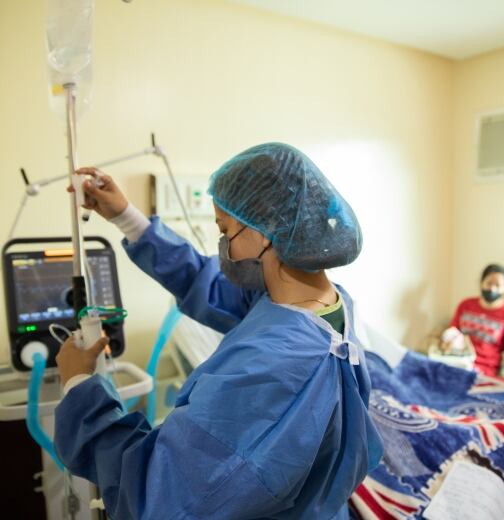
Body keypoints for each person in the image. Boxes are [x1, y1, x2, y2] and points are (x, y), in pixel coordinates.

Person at [53, 142, 383, 519]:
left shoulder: (272, 369)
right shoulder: (319, 301)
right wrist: (126, 216)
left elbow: (160, 492)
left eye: (225, 229)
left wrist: (79, 385)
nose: (223, 245)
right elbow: (205, 281)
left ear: (266, 234)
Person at [445, 264, 504, 380]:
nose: (492, 289)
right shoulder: (465, 305)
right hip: (456, 359)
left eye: (498, 285)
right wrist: (447, 344)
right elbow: (452, 332)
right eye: (489, 283)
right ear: (482, 283)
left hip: (483, 369)